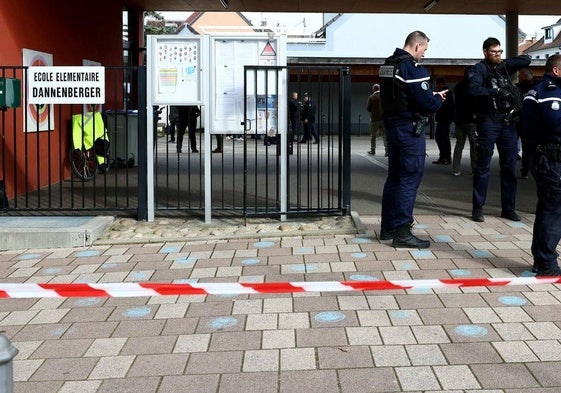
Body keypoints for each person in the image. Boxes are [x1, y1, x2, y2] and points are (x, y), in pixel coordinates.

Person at [378, 30, 446, 248]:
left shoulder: (387, 65)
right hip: (409, 130)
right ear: (417, 46)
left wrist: (427, 97)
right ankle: (403, 232)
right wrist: (438, 100)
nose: (424, 54)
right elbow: (426, 104)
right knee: (409, 180)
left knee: (394, 178)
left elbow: (401, 95)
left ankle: (387, 227)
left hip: (393, 127)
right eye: (424, 49)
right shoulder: (413, 68)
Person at [468, 37, 531, 223]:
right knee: (483, 167)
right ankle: (478, 208)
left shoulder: (503, 67)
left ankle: (508, 208)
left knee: (510, 166)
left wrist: (503, 60)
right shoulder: (478, 69)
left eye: (499, 51)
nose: (497, 55)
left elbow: (526, 60)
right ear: (485, 52)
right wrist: (495, 92)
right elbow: (473, 90)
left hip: (507, 123)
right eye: (493, 52)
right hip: (488, 121)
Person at [522, 54, 561, 276]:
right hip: (552, 160)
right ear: (556, 71)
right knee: (554, 211)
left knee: (546, 208)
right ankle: (547, 264)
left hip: (542, 158)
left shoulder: (537, 89)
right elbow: (556, 124)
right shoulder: (550, 91)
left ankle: (540, 258)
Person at [452, 66, 477, 176]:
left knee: (459, 145)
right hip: (471, 120)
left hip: (459, 120)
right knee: (474, 146)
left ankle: (456, 169)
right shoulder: (474, 86)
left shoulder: (458, 86)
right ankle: (474, 169)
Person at [516, 67, 534, 179]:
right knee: (527, 148)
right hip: (530, 122)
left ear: (523, 76)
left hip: (516, 120)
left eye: (519, 75)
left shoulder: (516, 88)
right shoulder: (535, 89)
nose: (518, 76)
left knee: (511, 146)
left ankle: (508, 167)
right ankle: (525, 171)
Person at [432, 77, 455, 165]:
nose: (436, 86)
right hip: (445, 118)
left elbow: (445, 106)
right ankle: (445, 157)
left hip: (445, 118)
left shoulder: (444, 93)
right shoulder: (448, 92)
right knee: (443, 137)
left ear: (440, 84)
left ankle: (445, 157)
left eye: (437, 84)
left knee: (441, 137)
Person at [366, 84, 387, 156]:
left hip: (374, 120)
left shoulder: (371, 97)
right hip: (383, 119)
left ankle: (373, 150)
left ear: (373, 89)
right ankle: (387, 151)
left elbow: (368, 109)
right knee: (385, 136)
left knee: (373, 136)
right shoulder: (384, 97)